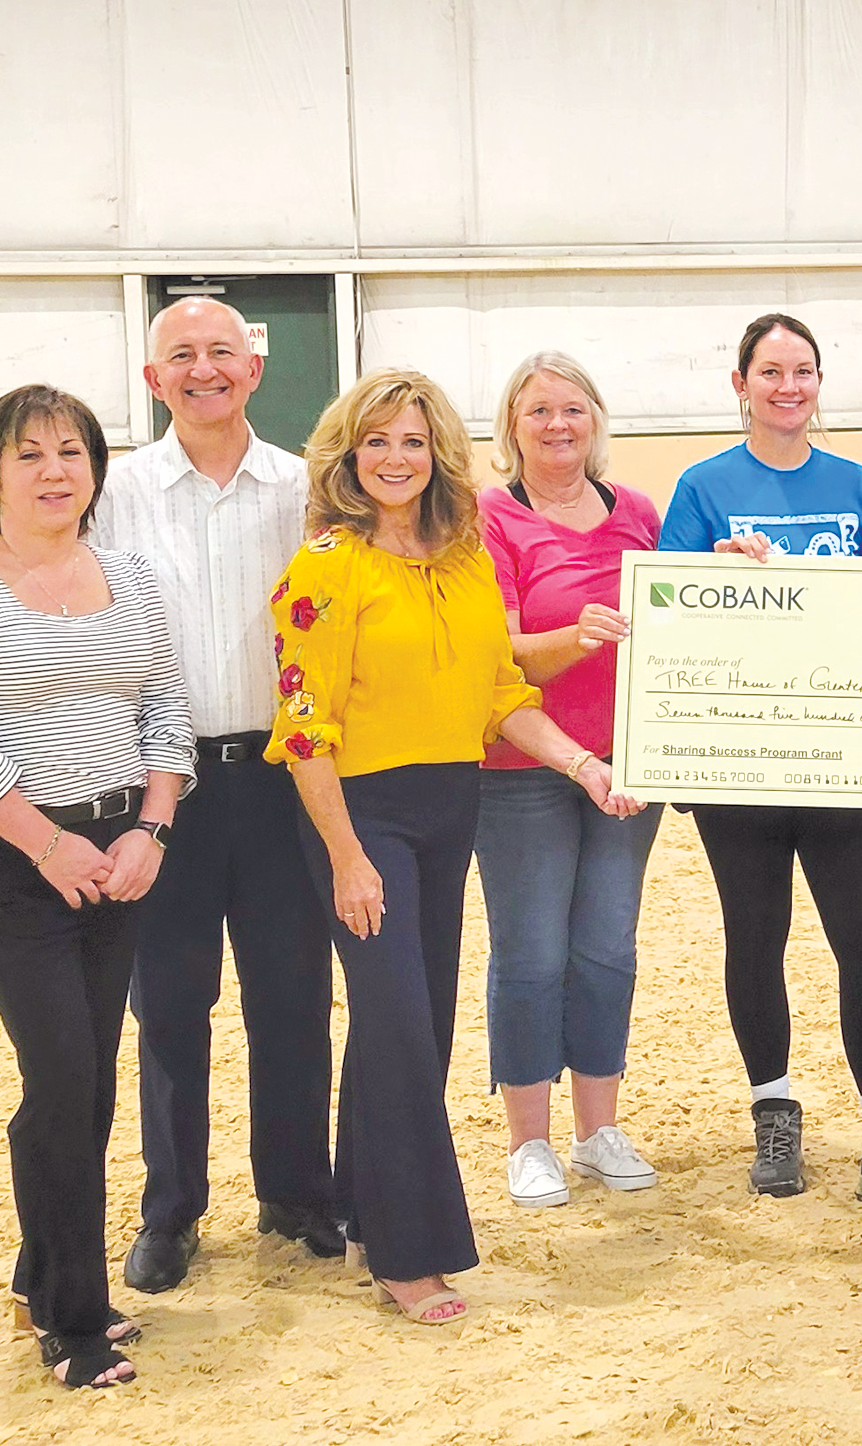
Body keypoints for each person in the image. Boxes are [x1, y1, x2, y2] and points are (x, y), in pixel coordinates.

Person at [269, 369, 641, 1325]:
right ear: (348, 455)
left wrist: (581, 766)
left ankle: (364, 1210)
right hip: (362, 816)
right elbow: (304, 727)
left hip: (450, 810)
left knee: (415, 1026)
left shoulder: (467, 555)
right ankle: (410, 1254)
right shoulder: (326, 565)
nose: (396, 459)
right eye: (377, 442)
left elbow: (501, 696)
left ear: (439, 454)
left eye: (414, 441)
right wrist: (346, 855)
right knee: (398, 1023)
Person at [0, 384, 195, 1388]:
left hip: (121, 856)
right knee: (62, 1080)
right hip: (11, 863)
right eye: (28, 454)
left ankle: (41, 1275)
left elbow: (165, 710)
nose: (54, 471)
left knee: (91, 1082)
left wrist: (151, 827)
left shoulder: (131, 578)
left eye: (72, 452)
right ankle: (73, 1321)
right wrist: (48, 845)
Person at [658, 312, 862, 1222]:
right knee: (755, 937)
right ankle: (774, 1112)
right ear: (741, 384)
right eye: (771, 371)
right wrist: (717, 570)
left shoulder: (854, 483)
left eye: (803, 371)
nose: (788, 386)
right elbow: (668, 609)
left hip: (839, 759)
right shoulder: (702, 486)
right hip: (743, 762)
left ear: (818, 383)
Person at [90, 298, 340, 1296]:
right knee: (169, 1007)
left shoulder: (310, 488)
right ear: (154, 380)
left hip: (282, 784)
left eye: (221, 352)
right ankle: (172, 1210)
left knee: (293, 998)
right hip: (163, 792)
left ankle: (297, 1193)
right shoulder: (112, 495)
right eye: (182, 356)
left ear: (254, 368)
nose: (204, 370)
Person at [474, 352, 666, 1210]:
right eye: (539, 411)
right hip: (522, 770)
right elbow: (499, 653)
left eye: (573, 409)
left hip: (629, 767)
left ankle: (598, 1130)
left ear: (596, 420)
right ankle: (529, 1141)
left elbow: (680, 618)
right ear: (511, 428)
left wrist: (733, 570)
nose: (558, 425)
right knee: (530, 952)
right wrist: (574, 639)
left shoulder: (639, 513)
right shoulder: (492, 517)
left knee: (607, 948)